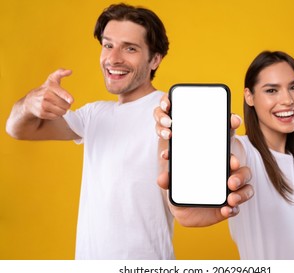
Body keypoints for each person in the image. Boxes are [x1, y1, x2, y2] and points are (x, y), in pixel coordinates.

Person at [5, 3, 252, 260]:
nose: (113, 58)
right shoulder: (94, 115)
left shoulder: (171, 113)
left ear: (155, 59)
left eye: (130, 48)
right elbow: (18, 128)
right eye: (108, 45)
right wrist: (30, 103)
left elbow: (203, 188)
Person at [155, 50, 294, 259]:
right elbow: (206, 162)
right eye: (271, 90)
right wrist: (170, 133)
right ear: (249, 97)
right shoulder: (243, 152)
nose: (287, 100)